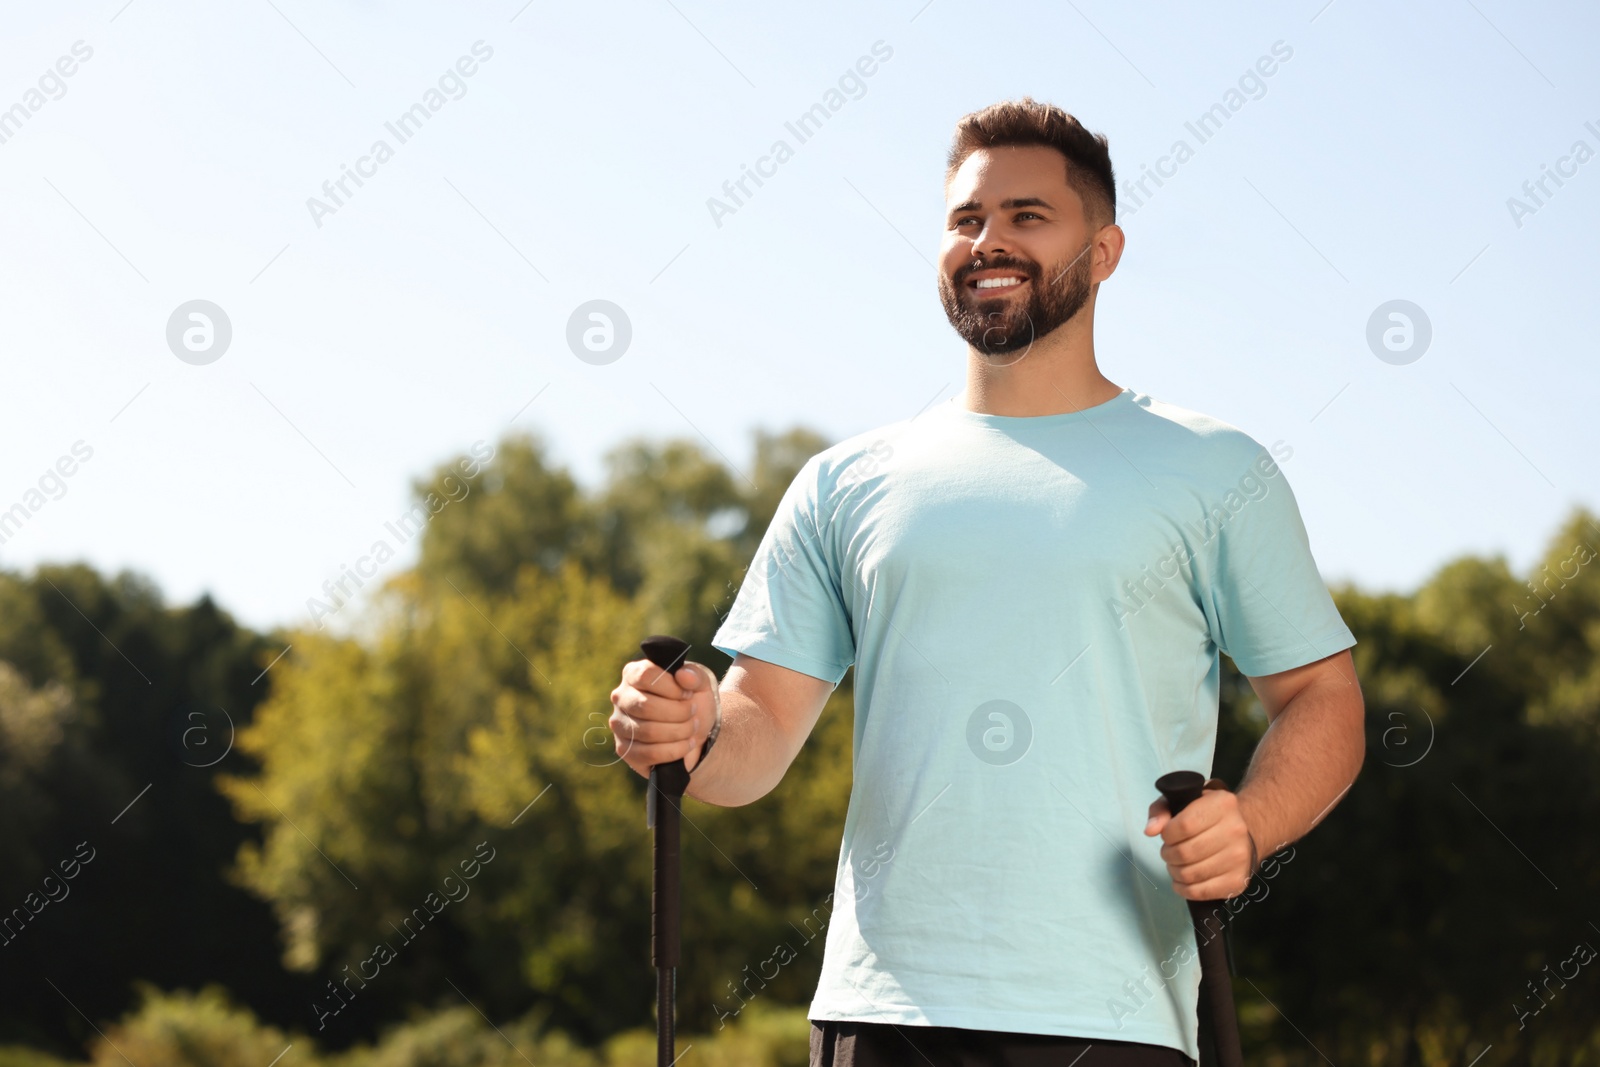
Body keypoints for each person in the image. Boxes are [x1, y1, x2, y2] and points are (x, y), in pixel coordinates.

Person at [609, 97, 1365, 1067]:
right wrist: (686, 730)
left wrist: (1249, 824)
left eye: (1026, 216)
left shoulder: (1215, 470)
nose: (987, 239)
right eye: (965, 218)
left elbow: (1322, 699)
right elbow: (747, 742)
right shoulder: (845, 482)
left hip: (1115, 1019)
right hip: (880, 1014)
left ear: (1104, 251)